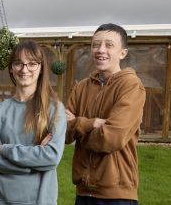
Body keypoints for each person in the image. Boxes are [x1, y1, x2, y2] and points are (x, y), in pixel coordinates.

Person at [65, 23, 146, 205]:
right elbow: (63, 132)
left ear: (122, 53)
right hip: (83, 193)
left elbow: (111, 138)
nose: (100, 50)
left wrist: (78, 127)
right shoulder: (82, 87)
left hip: (117, 195)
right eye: (95, 45)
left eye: (109, 45)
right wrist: (92, 123)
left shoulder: (131, 86)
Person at [0, 41, 66, 205]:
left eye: (32, 63)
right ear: (11, 68)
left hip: (39, 200)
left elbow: (51, 157)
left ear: (41, 68)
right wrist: (33, 163)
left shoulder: (54, 109)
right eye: (18, 63)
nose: (24, 69)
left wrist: (5, 149)